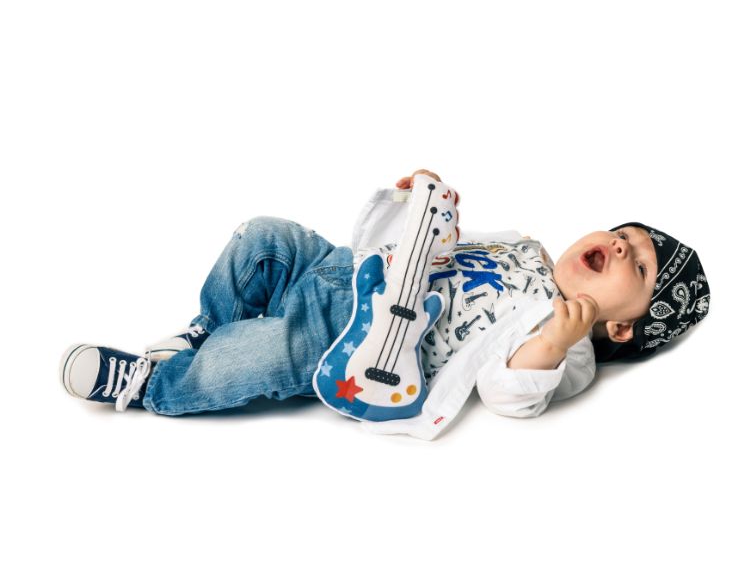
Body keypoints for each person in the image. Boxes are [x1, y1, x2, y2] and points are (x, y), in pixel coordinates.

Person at [60, 169, 711, 439]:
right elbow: (442, 250)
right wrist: (422, 209)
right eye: (624, 235)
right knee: (265, 237)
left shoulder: (569, 351)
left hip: (360, 336)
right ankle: (206, 327)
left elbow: (509, 392)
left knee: (270, 354)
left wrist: (551, 345)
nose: (620, 246)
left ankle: (151, 384)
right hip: (346, 268)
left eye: (639, 264)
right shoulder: (523, 246)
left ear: (622, 326)